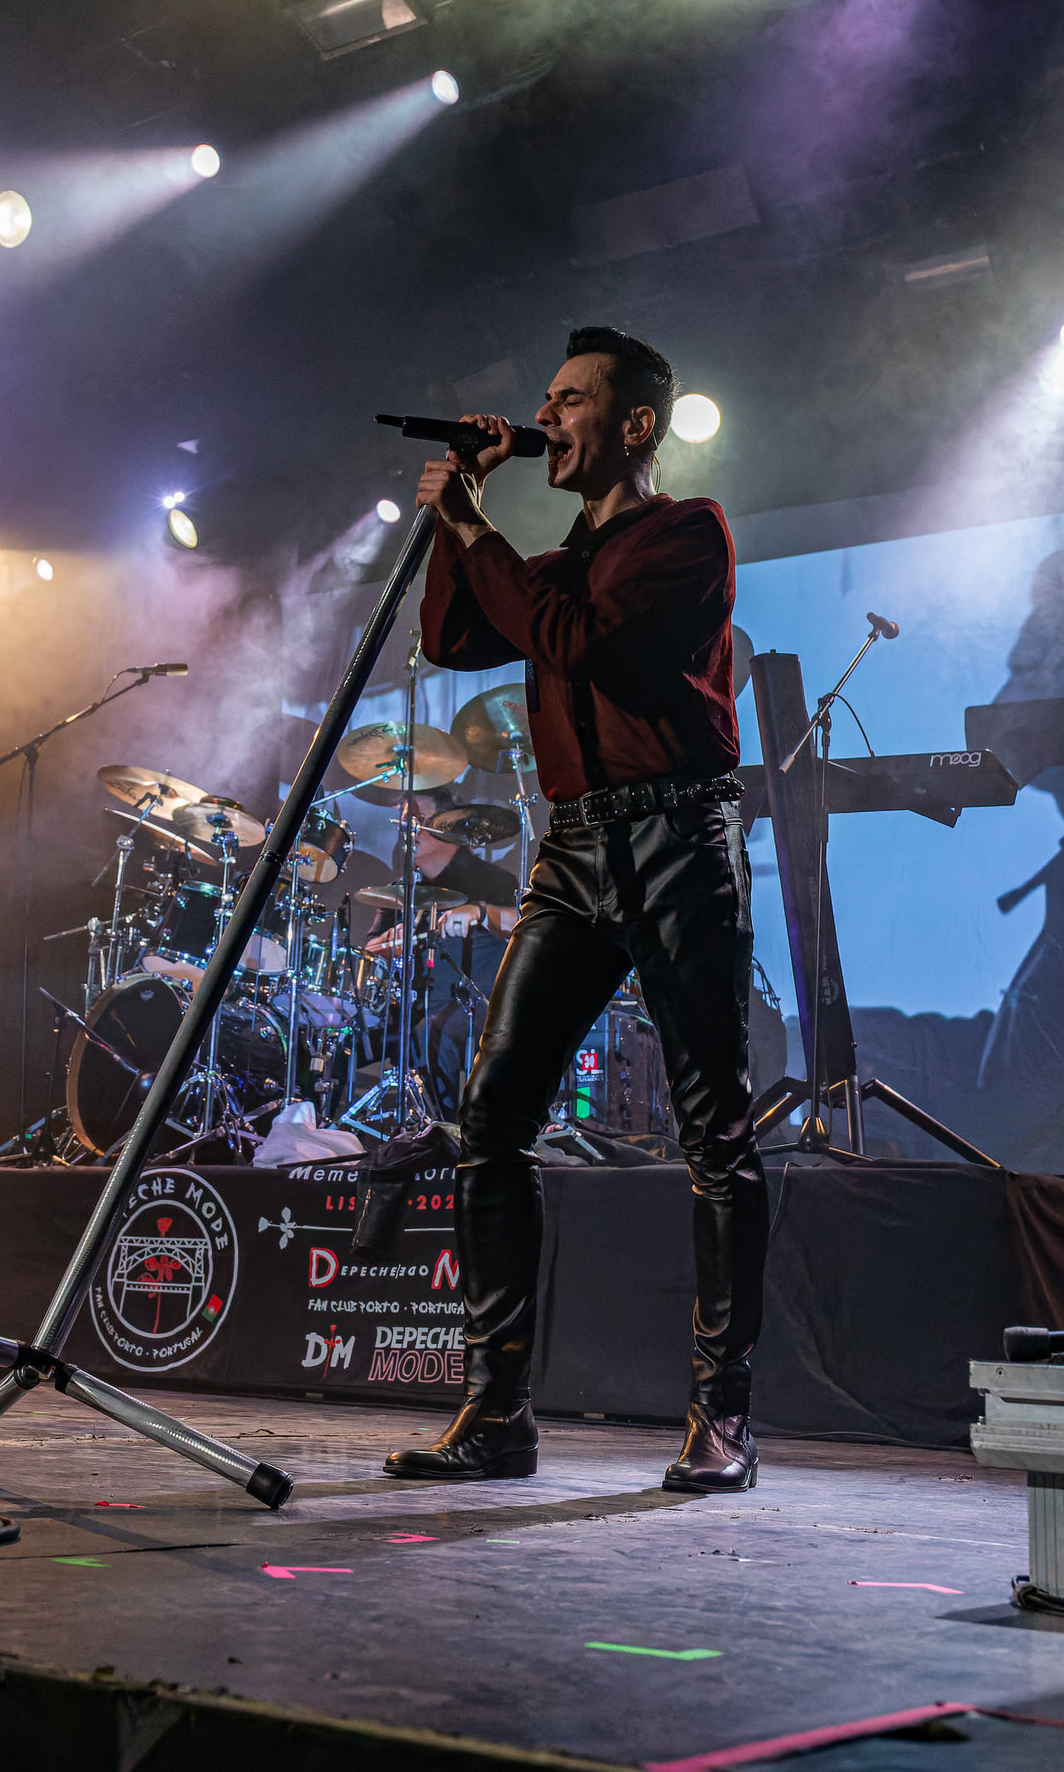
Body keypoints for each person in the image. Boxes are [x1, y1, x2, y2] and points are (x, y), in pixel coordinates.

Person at [382, 326, 767, 1495]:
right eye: (543, 401)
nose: (544, 418)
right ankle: (497, 1411)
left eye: (568, 401)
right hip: (576, 846)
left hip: (677, 837)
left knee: (714, 1130)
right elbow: (450, 635)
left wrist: (477, 527)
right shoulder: (552, 562)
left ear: (635, 424)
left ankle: (723, 1414)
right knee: (492, 1114)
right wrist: (456, 522)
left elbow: (578, 641)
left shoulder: (686, 534)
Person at [365, 787, 519, 1117]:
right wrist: (393, 940)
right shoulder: (401, 890)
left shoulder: (490, 879)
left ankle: (445, 1132)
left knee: (431, 1035)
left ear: (448, 826)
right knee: (337, 1039)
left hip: (475, 1004)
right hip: (410, 1007)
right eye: (403, 823)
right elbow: (371, 950)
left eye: (418, 820)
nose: (408, 831)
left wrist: (479, 911)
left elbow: (521, 924)